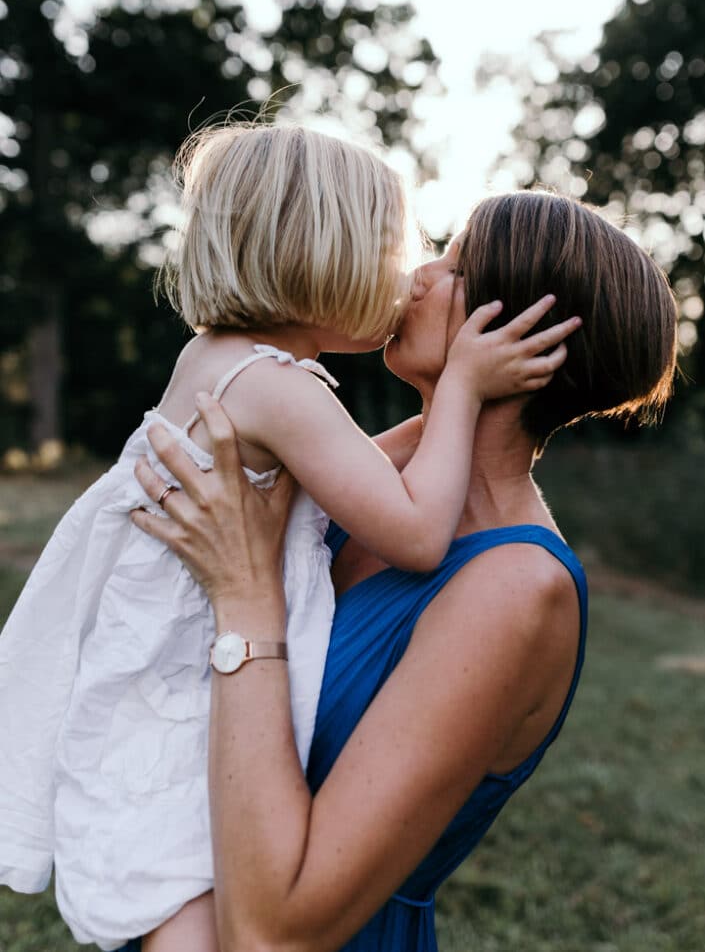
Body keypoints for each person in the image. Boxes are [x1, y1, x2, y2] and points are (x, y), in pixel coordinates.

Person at [0, 127, 571, 952]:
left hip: (145, 664)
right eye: (391, 250)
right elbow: (412, 532)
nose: (408, 275)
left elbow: (336, 485)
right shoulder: (285, 389)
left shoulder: (219, 357)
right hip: (188, 674)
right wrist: (462, 392)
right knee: (188, 889)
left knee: (168, 861)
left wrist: (450, 409)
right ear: (320, 260)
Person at [128, 190, 678, 952]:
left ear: (520, 331)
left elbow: (275, 933)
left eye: (455, 265)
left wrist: (244, 596)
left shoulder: (513, 586)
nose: (417, 275)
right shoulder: (368, 491)